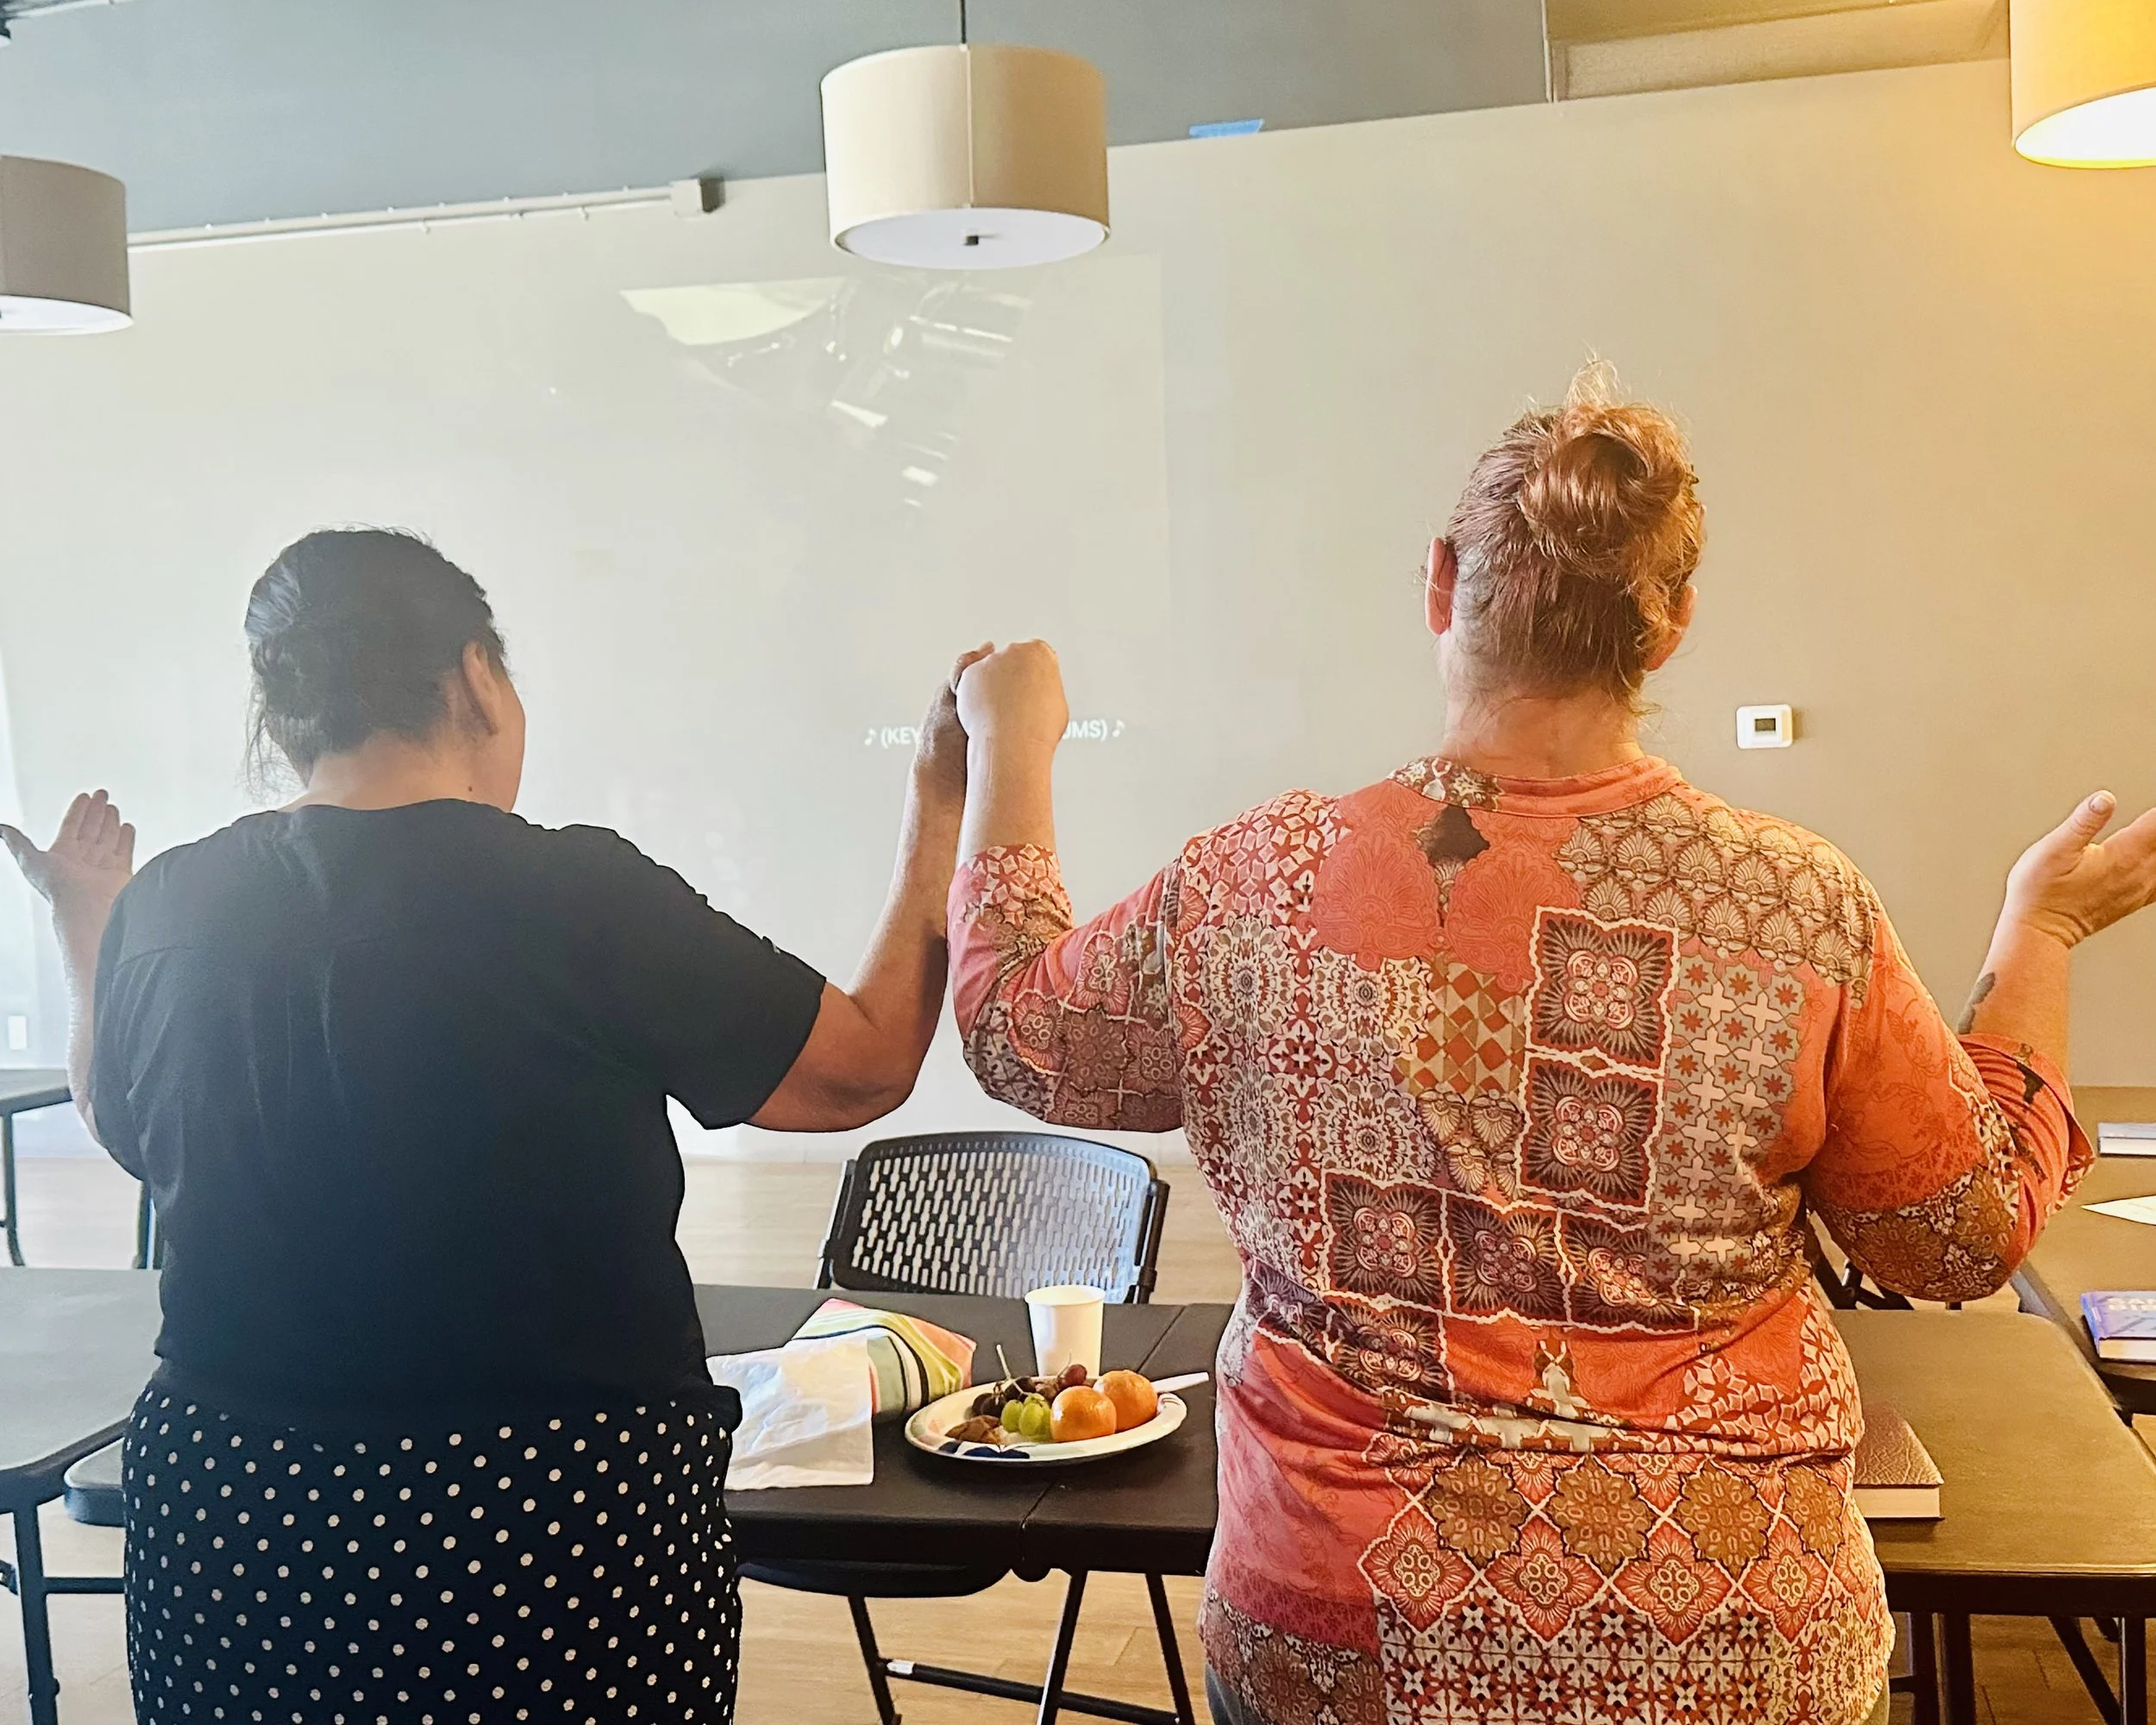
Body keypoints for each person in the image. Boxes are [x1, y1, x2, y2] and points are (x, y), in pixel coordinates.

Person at [944, 369, 2156, 1725]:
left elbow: (1015, 1033)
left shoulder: (1252, 884)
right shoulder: (1793, 908)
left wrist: (1010, 742)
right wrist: (2039, 932)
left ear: (1441, 580)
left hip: (1346, 1646)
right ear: (1675, 621)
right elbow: (1959, 1233)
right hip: (1729, 1649)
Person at [2, 528, 981, 1725]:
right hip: (547, 1516)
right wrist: (941, 803)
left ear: (284, 712)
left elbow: (122, 1119)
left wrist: (86, 921)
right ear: (476, 677)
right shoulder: (576, 892)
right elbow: (861, 1068)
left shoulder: (174, 899)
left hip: (235, 1511)